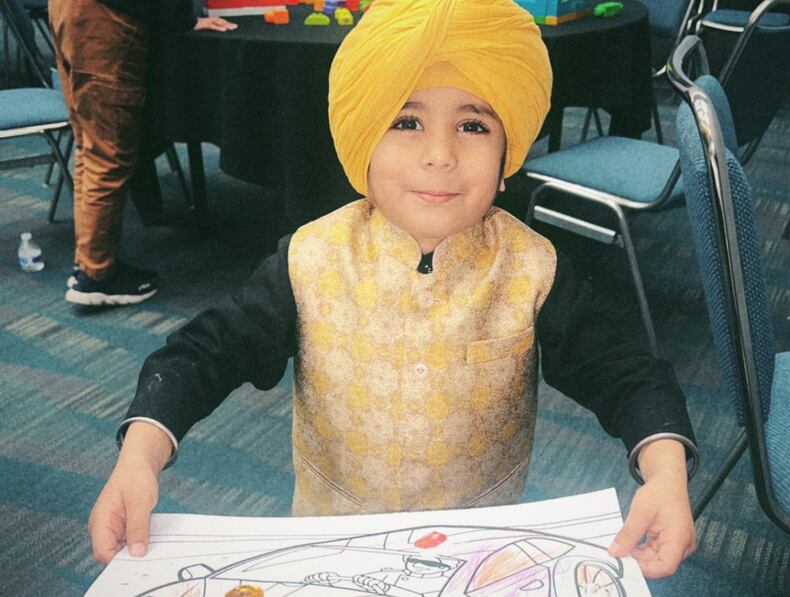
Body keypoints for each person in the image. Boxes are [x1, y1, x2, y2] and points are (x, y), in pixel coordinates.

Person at [88, 0, 699, 580]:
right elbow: (203, 353)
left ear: (507, 148)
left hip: (475, 555)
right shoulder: (311, 257)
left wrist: (665, 472)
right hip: (332, 549)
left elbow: (627, 372)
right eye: (406, 121)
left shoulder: (532, 268)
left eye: (473, 124)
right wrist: (140, 455)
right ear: (363, 138)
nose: (440, 154)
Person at [49, 0, 238, 306]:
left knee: (90, 144)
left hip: (70, 9)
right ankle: (96, 274)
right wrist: (182, 18)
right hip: (107, 18)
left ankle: (89, 262)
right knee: (107, 152)